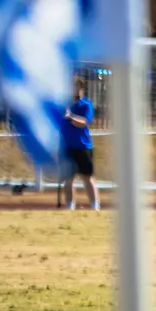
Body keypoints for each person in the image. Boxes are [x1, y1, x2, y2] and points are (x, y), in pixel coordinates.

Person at [59, 75, 98, 212]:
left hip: (83, 147)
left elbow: (83, 123)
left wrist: (70, 117)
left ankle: (95, 206)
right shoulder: (63, 104)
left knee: (87, 178)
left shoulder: (86, 104)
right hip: (66, 147)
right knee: (68, 180)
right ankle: (70, 206)